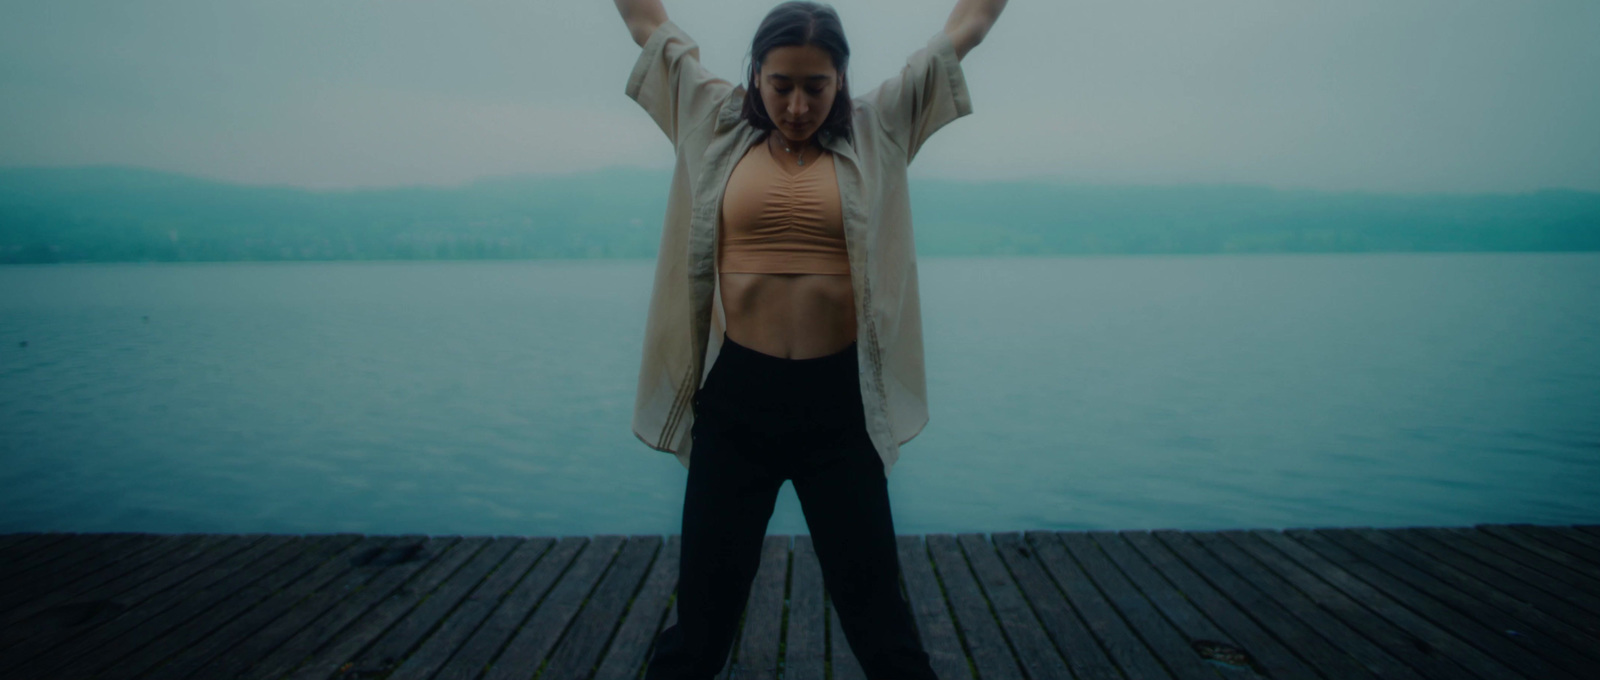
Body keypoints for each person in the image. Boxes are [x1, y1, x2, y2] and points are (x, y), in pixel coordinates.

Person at [613, 0, 1007, 678]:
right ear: (756, 76)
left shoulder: (880, 126)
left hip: (838, 409)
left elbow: (968, 25)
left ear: (842, 79)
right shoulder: (714, 120)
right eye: (781, 84)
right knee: (703, 620)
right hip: (737, 404)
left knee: (879, 615)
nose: (797, 105)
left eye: (816, 87)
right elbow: (646, 22)